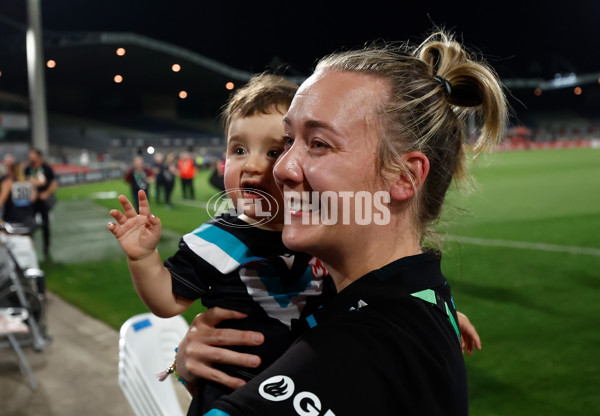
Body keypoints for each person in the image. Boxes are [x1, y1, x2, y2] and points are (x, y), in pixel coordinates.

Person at [177, 31, 504, 415]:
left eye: (318, 143)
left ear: (404, 177)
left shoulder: (363, 347)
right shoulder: (416, 295)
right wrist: (192, 368)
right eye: (288, 142)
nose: (280, 168)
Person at [108, 73, 337, 413]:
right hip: (230, 392)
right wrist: (143, 258)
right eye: (239, 150)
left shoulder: (326, 232)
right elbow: (168, 301)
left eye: (274, 151)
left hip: (308, 390)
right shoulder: (218, 238)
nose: (252, 165)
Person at [25, 148, 58, 257]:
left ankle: (46, 247)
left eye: (32, 155)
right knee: (29, 224)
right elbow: (25, 182)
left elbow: (53, 183)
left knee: (45, 224)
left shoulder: (46, 168)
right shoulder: (28, 169)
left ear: (39, 156)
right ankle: (29, 246)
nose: (30, 157)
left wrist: (46, 194)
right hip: (31, 202)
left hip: (43, 202)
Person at [0, 161, 38, 228]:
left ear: (10, 170)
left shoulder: (9, 182)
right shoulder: (29, 181)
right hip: (28, 215)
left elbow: (1, 201)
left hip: (12, 217)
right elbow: (33, 199)